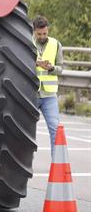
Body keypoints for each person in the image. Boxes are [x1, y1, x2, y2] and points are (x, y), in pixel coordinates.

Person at [33, 16, 64, 151]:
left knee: (55, 131)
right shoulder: (25, 43)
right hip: (30, 94)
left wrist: (51, 68)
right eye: (39, 34)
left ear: (48, 30)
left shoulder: (56, 44)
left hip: (49, 95)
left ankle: (56, 163)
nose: (42, 36)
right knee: (23, 130)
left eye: (45, 33)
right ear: (34, 31)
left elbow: (60, 68)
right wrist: (36, 63)